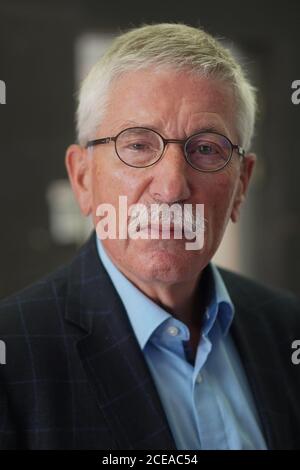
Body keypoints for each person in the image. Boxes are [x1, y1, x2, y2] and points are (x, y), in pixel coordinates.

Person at [0, 23, 300, 450]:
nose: (173, 187)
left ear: (241, 186)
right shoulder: (12, 357)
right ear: (82, 178)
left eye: (206, 149)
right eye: (138, 145)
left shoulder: (287, 329)